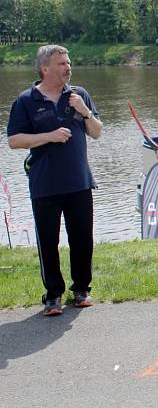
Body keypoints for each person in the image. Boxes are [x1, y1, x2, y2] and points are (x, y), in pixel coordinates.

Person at [6, 45, 103, 316]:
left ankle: (81, 290)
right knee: (48, 241)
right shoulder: (26, 101)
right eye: (61, 63)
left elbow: (97, 132)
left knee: (82, 239)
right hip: (45, 184)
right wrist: (48, 136)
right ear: (44, 68)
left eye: (69, 62)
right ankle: (53, 295)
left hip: (79, 182)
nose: (68, 67)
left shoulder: (78, 95)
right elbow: (14, 140)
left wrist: (85, 112)